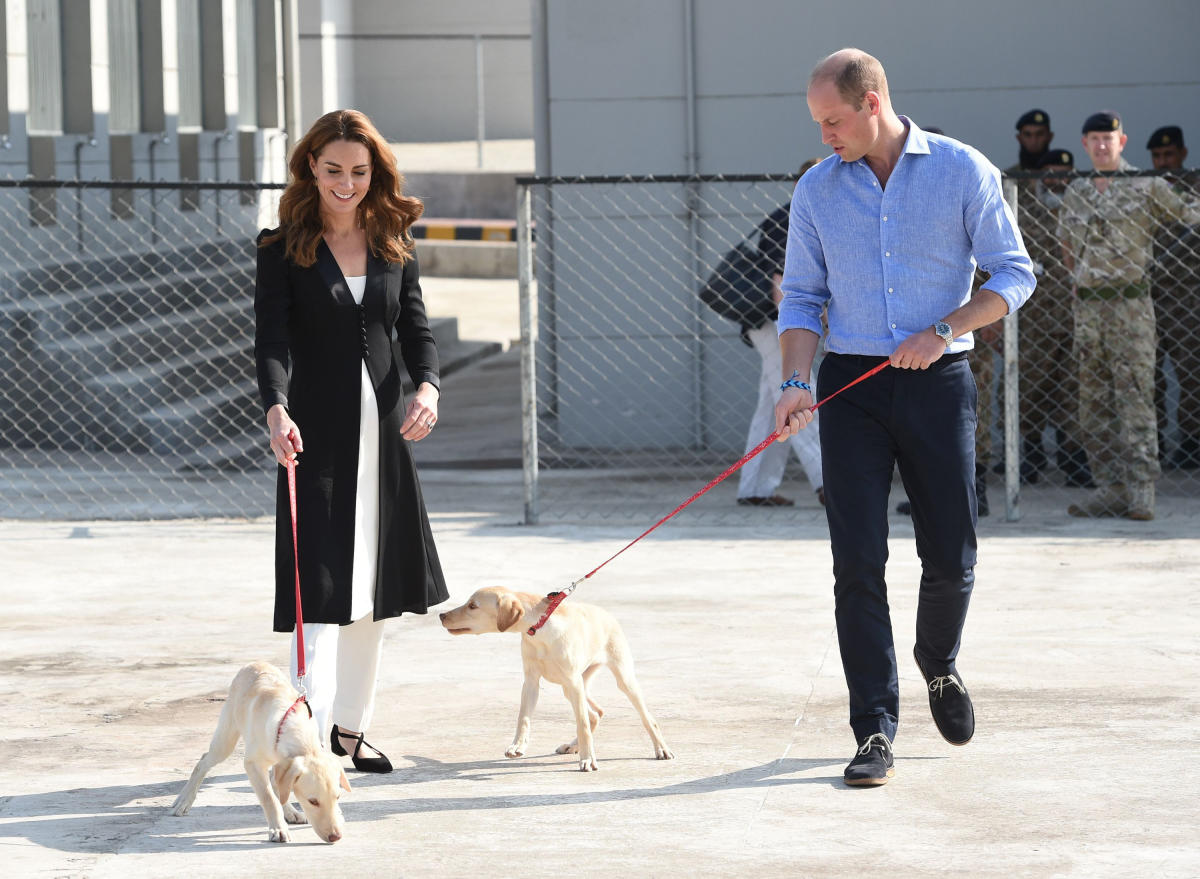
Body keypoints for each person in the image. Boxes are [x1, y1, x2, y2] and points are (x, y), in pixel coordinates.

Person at [775, 49, 1035, 787]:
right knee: (857, 561)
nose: (825, 134)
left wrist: (946, 328)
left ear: (873, 101)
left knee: (951, 551)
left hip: (938, 378)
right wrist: (795, 379)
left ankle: (939, 663)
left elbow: (1014, 274)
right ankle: (874, 727)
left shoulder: (961, 171)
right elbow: (800, 299)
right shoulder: (817, 191)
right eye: (818, 122)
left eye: (833, 120)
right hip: (848, 387)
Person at [254, 109, 449, 774]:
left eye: (359, 172)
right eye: (334, 169)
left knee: (377, 591)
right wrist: (276, 408)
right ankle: (299, 741)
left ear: (375, 173)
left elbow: (417, 330)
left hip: (387, 440)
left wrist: (428, 387)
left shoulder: (393, 240)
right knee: (323, 591)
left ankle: (349, 732)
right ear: (312, 166)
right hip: (318, 442)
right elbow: (272, 343)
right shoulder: (281, 251)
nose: (346, 182)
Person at [1059, 111, 1200, 520]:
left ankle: (1141, 490)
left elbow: (1189, 214)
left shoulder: (1147, 186)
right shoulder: (1077, 192)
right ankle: (1111, 487)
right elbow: (1067, 247)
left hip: (1131, 305)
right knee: (1093, 402)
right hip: (1087, 307)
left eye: (1110, 138)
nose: (1103, 145)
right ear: (1085, 144)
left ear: (1122, 142)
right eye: (1095, 139)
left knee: (1136, 397)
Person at [727, 161, 825, 508]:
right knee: (800, 392)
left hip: (775, 323)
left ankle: (754, 488)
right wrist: (799, 331)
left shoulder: (802, 215)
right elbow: (778, 284)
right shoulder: (788, 219)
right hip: (774, 323)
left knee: (771, 408)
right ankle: (827, 483)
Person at [1145, 126, 1200, 470]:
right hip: (1150, 293)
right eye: (1158, 157)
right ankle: (1157, 440)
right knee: (1149, 372)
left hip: (1188, 294)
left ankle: (1192, 440)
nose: (1164, 162)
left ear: (1183, 154)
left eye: (1169, 155)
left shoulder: (1195, 190)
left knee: (1190, 369)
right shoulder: (1147, 189)